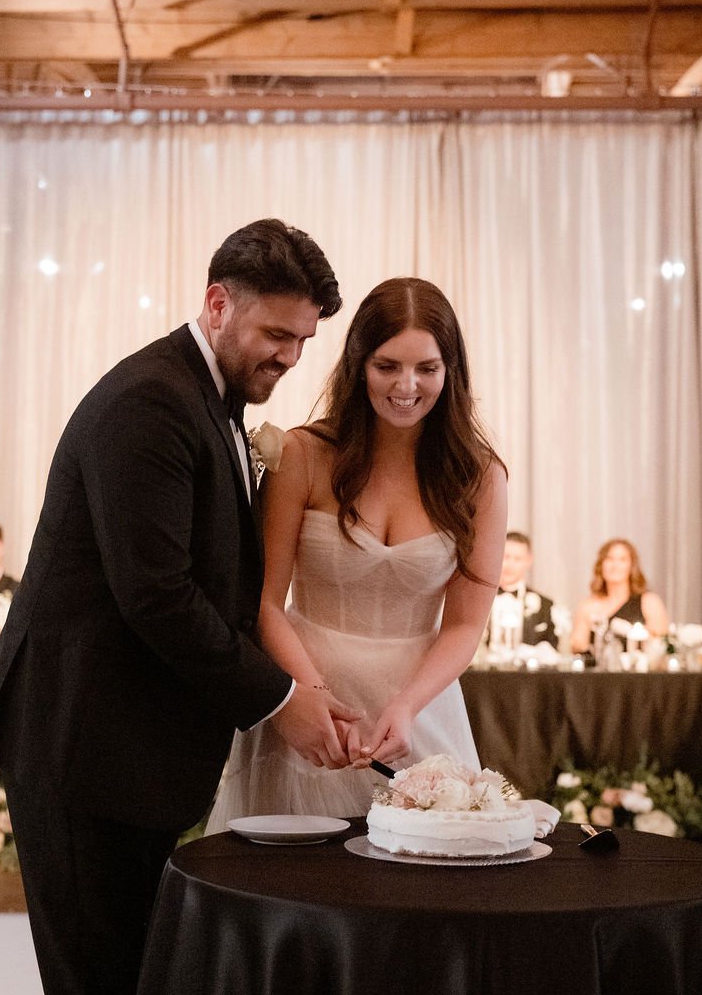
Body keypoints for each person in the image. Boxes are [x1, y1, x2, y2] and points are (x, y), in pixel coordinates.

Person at [0, 220, 358, 995]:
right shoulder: (150, 403)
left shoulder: (207, 399)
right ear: (216, 302)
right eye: (276, 334)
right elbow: (157, 597)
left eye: (304, 342)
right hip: (82, 751)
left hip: (124, 752)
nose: (287, 357)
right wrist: (281, 699)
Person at [207, 275, 508, 826]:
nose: (406, 386)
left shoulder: (480, 478)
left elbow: (465, 626)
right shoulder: (302, 454)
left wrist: (406, 706)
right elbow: (265, 601)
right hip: (306, 698)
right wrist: (306, 697)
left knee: (421, 879)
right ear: (358, 364)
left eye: (427, 368)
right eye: (387, 365)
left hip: (417, 707)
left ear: (451, 372)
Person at [569, 537, 669, 655]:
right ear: (601, 565)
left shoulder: (649, 602)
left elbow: (661, 646)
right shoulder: (588, 606)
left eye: (622, 559)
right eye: (609, 559)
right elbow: (578, 647)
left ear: (632, 566)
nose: (615, 565)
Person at [484, 530, 557, 649]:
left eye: (517, 559)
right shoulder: (478, 600)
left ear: (528, 561)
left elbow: (553, 647)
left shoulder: (545, 605)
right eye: (505, 557)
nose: (510, 565)